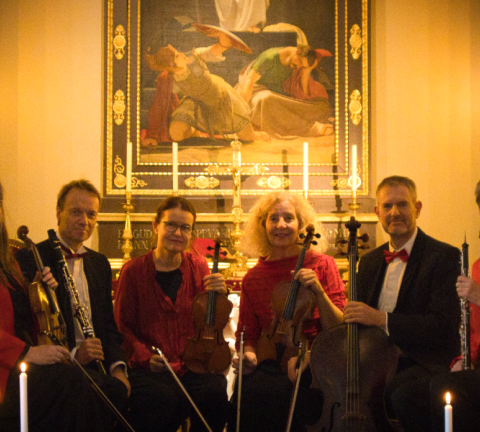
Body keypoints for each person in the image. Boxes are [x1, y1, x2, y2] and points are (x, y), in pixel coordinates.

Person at [343, 175, 461, 432]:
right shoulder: (369, 262)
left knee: (401, 393)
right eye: (387, 206)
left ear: (417, 208)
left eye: (402, 204)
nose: (394, 212)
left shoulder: (445, 257)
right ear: (377, 213)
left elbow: (442, 325)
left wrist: (381, 319)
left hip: (422, 360)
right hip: (376, 361)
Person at [15, 179, 131, 431]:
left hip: (96, 366)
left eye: (91, 214)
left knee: (145, 396)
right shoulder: (31, 257)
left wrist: (118, 368)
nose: (84, 221)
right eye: (76, 212)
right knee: (89, 393)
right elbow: (24, 326)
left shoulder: (99, 263)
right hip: (57, 367)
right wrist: (75, 355)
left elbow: (108, 327)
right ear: (59, 212)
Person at [228, 191, 346, 432]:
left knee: (291, 393)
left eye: (289, 218)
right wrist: (248, 356)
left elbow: (340, 329)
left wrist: (319, 292)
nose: (281, 225)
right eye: (273, 218)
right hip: (269, 360)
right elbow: (248, 334)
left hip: (315, 359)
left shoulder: (323, 264)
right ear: (263, 226)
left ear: (301, 225)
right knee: (247, 394)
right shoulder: (253, 277)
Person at [114, 196, 230, 432]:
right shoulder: (133, 270)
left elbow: (210, 321)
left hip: (193, 364)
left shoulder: (199, 266)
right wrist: (145, 356)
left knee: (215, 393)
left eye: (185, 227)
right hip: (150, 367)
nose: (178, 233)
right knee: (163, 400)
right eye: (171, 225)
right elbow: (122, 326)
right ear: (155, 226)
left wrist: (221, 294)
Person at [0, 181, 105, 432]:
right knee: (71, 381)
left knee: (85, 384)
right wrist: (27, 352)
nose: (84, 220)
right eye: (76, 211)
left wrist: (40, 290)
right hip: (7, 368)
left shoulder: (7, 260)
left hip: (16, 366)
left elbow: (24, 317)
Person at [423, 180, 480, 432]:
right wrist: (464, 358)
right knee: (409, 394)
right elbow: (475, 332)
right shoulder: (478, 266)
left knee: (444, 387)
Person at [142, 29, 260, 147]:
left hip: (220, 97)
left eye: (178, 52)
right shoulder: (169, 80)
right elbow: (159, 105)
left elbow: (215, 49)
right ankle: (194, 131)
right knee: (175, 134)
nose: (182, 54)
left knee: (248, 136)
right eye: (177, 56)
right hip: (196, 103)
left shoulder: (195, 56)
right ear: (171, 66)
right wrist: (152, 136)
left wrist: (222, 37)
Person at [236, 46, 334, 138]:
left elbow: (301, 96)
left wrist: (306, 70)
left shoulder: (294, 65)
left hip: (274, 98)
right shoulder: (269, 57)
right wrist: (243, 111)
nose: (299, 66)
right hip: (253, 94)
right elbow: (249, 81)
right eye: (300, 61)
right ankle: (313, 128)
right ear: (297, 51)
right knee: (266, 99)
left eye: (302, 66)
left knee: (321, 107)